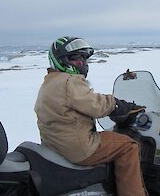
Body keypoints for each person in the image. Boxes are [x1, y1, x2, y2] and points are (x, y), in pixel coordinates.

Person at [34, 36, 148, 196]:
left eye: (83, 58)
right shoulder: (69, 81)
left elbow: (82, 102)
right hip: (78, 148)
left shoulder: (49, 82)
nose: (81, 63)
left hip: (55, 146)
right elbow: (94, 105)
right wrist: (117, 104)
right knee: (129, 146)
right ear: (60, 60)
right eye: (75, 58)